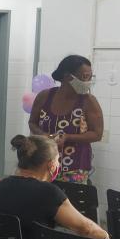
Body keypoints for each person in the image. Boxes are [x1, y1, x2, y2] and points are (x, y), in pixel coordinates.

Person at [30, 54, 102, 185]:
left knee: (68, 199)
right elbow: (32, 123)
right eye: (85, 77)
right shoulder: (44, 96)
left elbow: (97, 134)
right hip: (43, 163)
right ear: (68, 76)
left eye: (91, 77)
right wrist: (44, 135)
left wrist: (68, 137)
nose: (88, 81)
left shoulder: (88, 101)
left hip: (74, 168)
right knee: (42, 198)